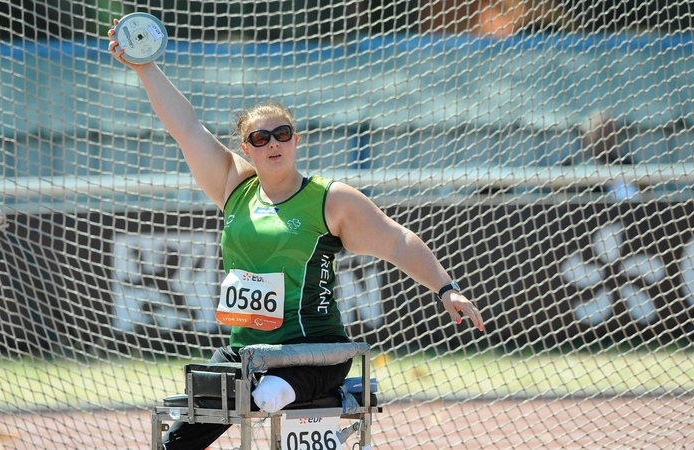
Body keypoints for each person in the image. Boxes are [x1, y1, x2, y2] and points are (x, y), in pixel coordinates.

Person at [107, 18, 485, 450]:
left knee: (271, 394)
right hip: (246, 353)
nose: (273, 143)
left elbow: (397, 241)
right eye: (260, 136)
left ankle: (280, 394)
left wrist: (446, 289)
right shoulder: (235, 185)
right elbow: (186, 128)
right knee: (180, 436)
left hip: (313, 353)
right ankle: (261, 395)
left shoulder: (331, 199)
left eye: (282, 134)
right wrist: (143, 67)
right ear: (246, 147)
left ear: (295, 140)